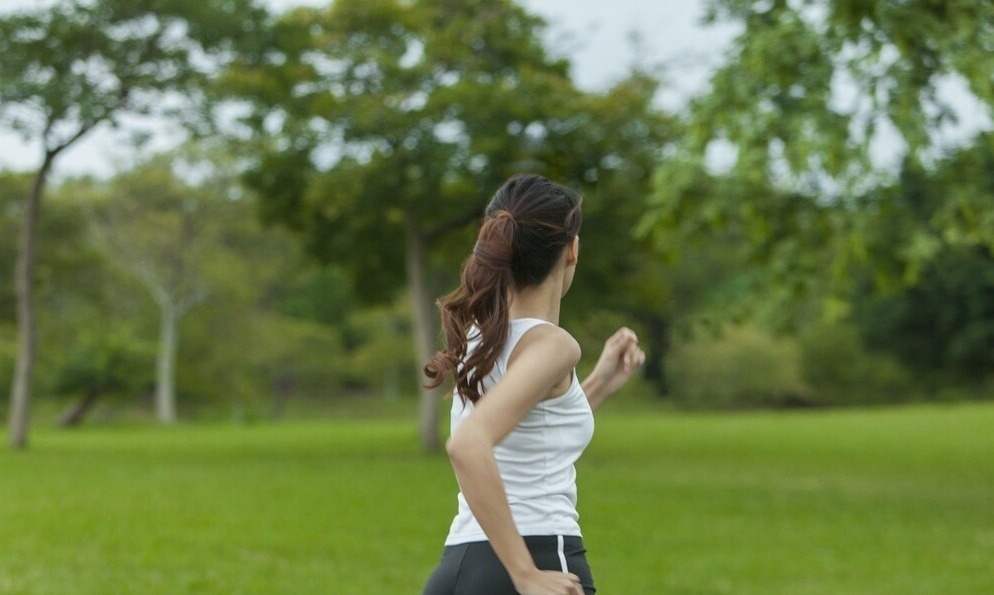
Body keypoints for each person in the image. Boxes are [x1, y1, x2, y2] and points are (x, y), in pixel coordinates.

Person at [421, 173, 646, 595]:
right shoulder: (553, 345)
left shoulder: (481, 336)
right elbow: (468, 444)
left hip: (456, 569)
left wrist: (600, 382)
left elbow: (533, 430)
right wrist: (525, 574)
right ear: (572, 250)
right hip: (536, 555)